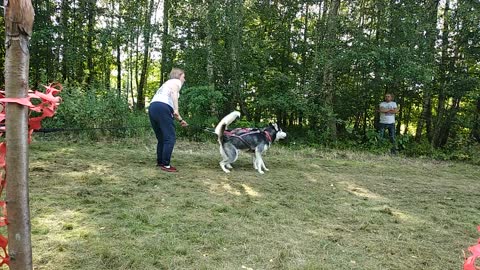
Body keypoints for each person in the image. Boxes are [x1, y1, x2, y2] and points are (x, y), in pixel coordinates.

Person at [148, 68, 188, 172]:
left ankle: (160, 162)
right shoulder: (176, 82)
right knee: (170, 138)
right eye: (183, 77)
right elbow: (174, 95)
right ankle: (166, 165)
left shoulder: (166, 84)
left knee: (162, 138)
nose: (184, 80)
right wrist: (176, 109)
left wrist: (180, 120)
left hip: (153, 107)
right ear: (179, 76)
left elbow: (169, 109)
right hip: (163, 107)